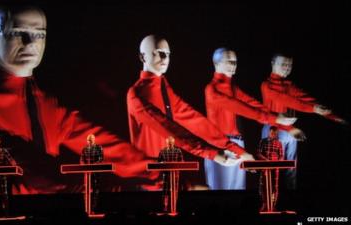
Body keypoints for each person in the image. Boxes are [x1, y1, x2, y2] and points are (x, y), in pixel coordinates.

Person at [0, 4, 155, 196]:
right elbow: (13, 154)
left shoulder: (47, 105)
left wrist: (156, 172)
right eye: (16, 33)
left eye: (39, 34)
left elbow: (106, 145)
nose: (31, 43)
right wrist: (73, 186)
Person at [127, 35, 254, 190]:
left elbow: (193, 119)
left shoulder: (163, 87)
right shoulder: (136, 94)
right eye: (158, 52)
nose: (164, 58)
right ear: (142, 57)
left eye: (167, 54)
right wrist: (213, 154)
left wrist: (236, 149)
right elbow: (170, 130)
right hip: (150, 182)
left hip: (170, 175)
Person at [204, 48, 301, 190]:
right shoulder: (211, 89)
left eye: (235, 62)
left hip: (237, 143)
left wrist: (276, 116)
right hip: (220, 145)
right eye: (229, 61)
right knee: (219, 192)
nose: (234, 65)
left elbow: (253, 103)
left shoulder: (233, 88)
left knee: (238, 190)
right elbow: (244, 109)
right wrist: (275, 118)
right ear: (216, 63)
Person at [261, 53, 346, 189]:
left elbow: (309, 100)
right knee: (272, 171)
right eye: (284, 64)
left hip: (291, 132)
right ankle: (270, 205)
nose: (287, 68)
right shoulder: (266, 85)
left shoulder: (289, 85)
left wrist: (335, 117)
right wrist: (312, 109)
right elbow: (288, 101)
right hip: (275, 130)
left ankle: (290, 201)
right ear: (273, 63)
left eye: (290, 65)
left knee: (291, 171)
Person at [256, 126, 283, 212]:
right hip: (265, 165)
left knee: (274, 186)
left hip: (275, 167)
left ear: (276, 134)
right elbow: (258, 153)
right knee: (263, 185)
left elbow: (281, 155)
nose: (273, 134)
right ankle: (264, 204)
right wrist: (266, 160)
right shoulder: (263, 141)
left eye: (274, 133)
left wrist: (279, 161)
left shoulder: (279, 143)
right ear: (269, 132)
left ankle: (273, 205)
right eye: (271, 132)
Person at [157, 136, 183, 211]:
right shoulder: (162, 151)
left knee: (175, 190)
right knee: (165, 190)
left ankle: (175, 206)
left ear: (173, 143)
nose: (170, 144)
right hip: (166, 173)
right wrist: (162, 163)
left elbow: (181, 161)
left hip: (175, 174)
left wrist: (176, 164)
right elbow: (159, 162)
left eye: (171, 142)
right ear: (166, 142)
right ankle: (165, 206)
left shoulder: (178, 151)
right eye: (168, 142)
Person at [80, 134, 103, 210]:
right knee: (86, 189)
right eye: (88, 140)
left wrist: (93, 166)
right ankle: (87, 208)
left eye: (91, 140)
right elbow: (82, 160)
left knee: (96, 189)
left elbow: (101, 159)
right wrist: (84, 166)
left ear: (94, 140)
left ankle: (94, 207)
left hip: (96, 172)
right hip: (87, 173)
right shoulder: (84, 149)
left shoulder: (98, 148)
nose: (89, 141)